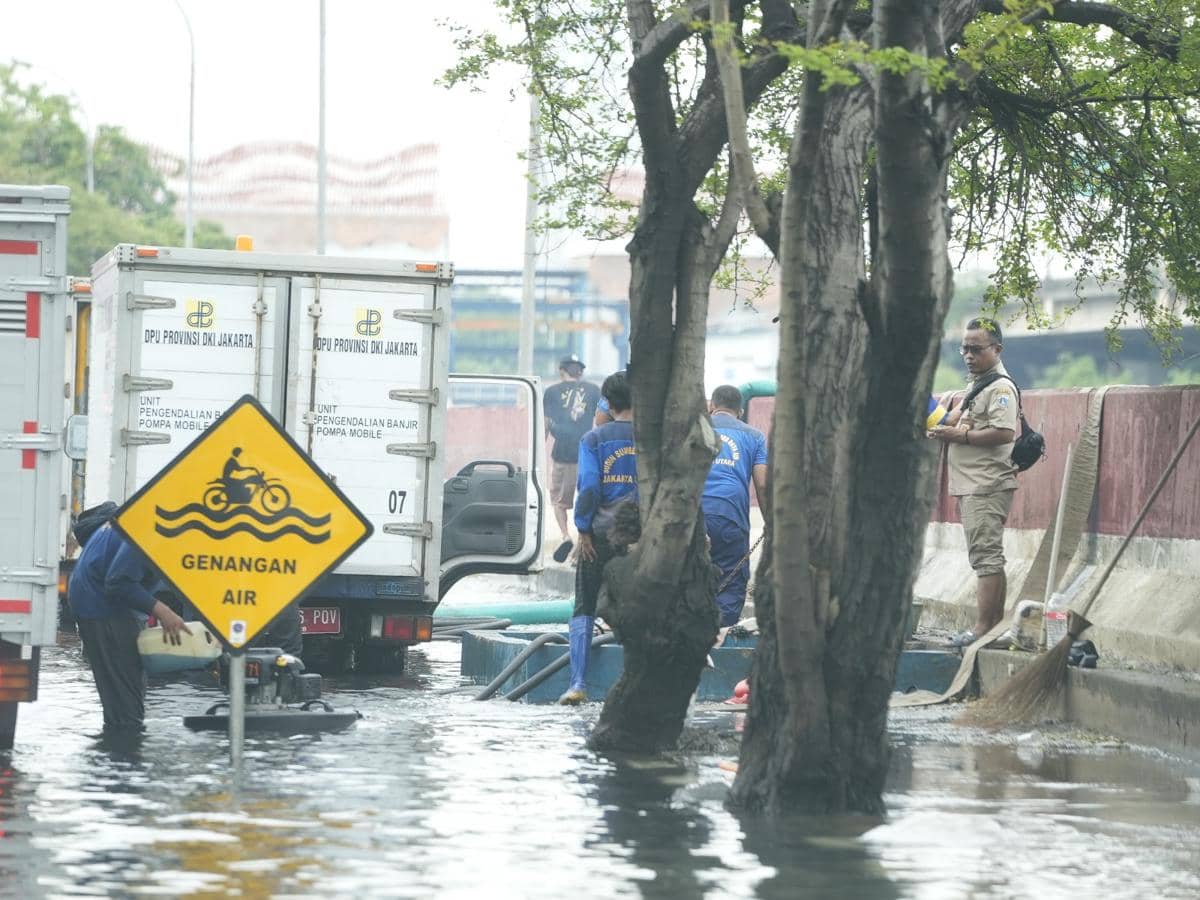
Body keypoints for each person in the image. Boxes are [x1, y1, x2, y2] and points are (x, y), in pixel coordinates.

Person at [928, 317, 1019, 647]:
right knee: (986, 556)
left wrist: (960, 436)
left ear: (996, 349)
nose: (968, 355)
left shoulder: (1000, 388)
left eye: (976, 349)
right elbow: (954, 420)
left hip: (987, 484)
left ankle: (983, 628)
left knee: (986, 557)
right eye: (964, 348)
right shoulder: (977, 384)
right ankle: (993, 628)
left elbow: (1004, 432)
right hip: (971, 483)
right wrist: (942, 427)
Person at [66, 502, 191, 731]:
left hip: (91, 601)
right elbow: (118, 583)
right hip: (104, 607)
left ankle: (119, 745)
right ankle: (126, 753)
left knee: (119, 689)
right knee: (126, 693)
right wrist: (164, 612)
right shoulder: (148, 528)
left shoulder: (140, 518)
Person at [559, 371, 637, 705]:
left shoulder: (594, 439)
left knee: (585, 605)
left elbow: (589, 486)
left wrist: (583, 529)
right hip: (641, 536)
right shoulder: (651, 437)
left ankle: (578, 683)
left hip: (601, 535)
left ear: (608, 402)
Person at [702, 385, 769, 636]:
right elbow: (762, 483)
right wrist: (770, 523)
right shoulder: (754, 436)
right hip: (731, 517)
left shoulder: (696, 429)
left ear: (711, 405)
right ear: (740, 412)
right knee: (731, 580)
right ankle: (719, 640)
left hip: (693, 517)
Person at [543, 356, 601, 562]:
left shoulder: (551, 392)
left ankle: (566, 535)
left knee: (559, 501)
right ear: (581, 372)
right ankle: (581, 541)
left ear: (561, 371)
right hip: (587, 452)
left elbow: (546, 425)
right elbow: (602, 419)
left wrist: (539, 450)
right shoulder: (594, 390)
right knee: (586, 497)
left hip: (562, 455)